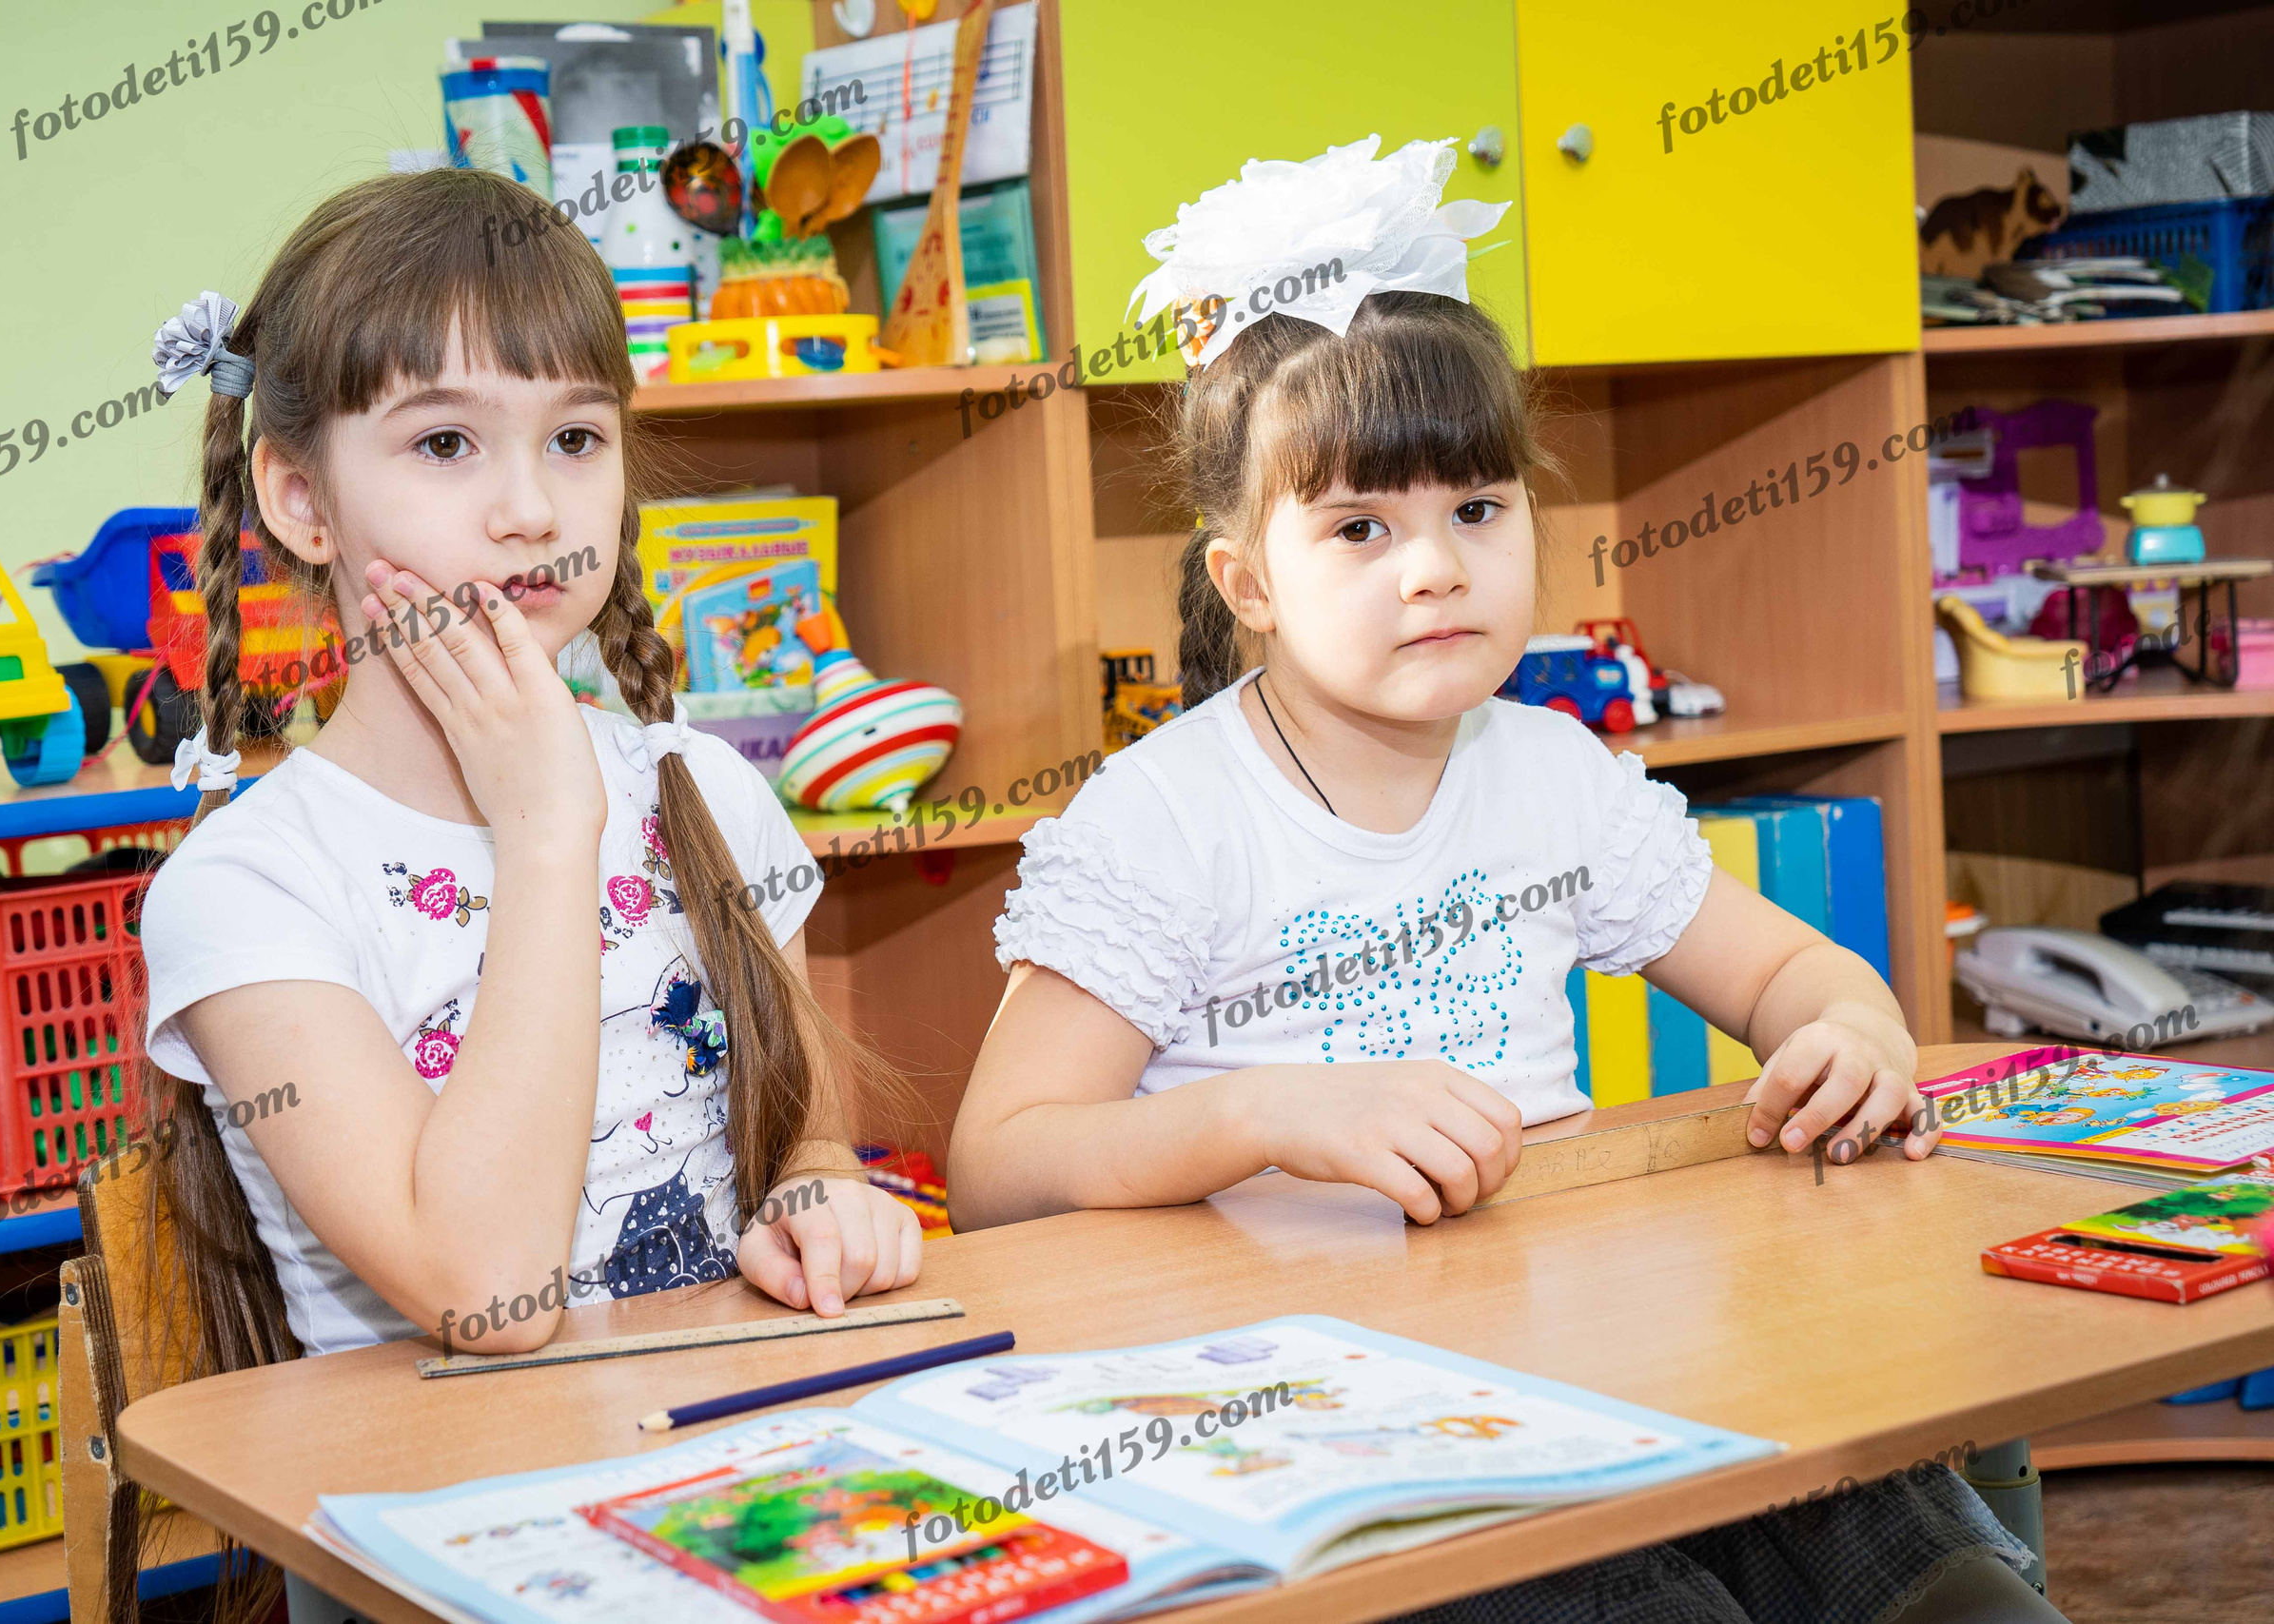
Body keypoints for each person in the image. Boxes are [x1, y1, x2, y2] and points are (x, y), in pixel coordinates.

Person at [950, 136, 2068, 1624]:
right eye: (1361, 528)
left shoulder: (1553, 773)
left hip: (1601, 1358)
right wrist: (1264, 1113)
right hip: (1320, 1429)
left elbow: (1797, 972)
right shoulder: (1162, 821)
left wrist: (1849, 1038)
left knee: (1945, 1576)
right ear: (1249, 584)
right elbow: (997, 1171)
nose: (1435, 569)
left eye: (1477, 510)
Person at [129, 167, 923, 1620]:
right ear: (300, 498)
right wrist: (550, 826)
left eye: (575, 437)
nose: (527, 508)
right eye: (444, 442)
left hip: (746, 1482)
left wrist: (824, 1188)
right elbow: (487, 1293)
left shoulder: (706, 790)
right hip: (440, 1548)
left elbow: (799, 1121)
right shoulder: (242, 890)